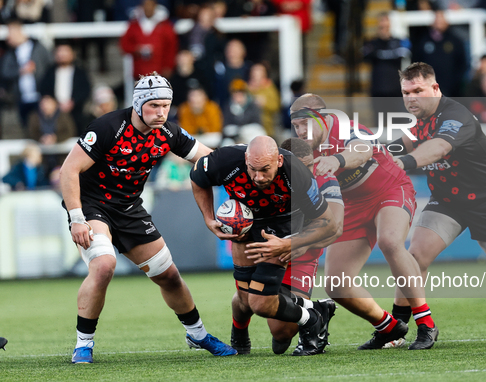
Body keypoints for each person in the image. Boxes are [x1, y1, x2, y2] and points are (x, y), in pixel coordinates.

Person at [59, 73, 236, 364]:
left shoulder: (168, 132)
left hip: (129, 208)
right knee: (104, 265)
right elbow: (69, 170)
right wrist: (77, 217)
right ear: (138, 104)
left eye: (166, 105)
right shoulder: (107, 127)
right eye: (154, 105)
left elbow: (209, 159)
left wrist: (244, 164)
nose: (162, 112)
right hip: (92, 206)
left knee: (169, 276)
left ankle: (198, 334)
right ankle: (83, 345)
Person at [387, 62, 486, 341]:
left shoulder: (455, 115)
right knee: (415, 256)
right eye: (406, 92)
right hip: (447, 201)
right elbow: (400, 143)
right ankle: (397, 330)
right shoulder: (420, 121)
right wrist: (370, 155)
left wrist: (401, 162)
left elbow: (439, 147)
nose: (411, 97)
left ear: (435, 88)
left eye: (418, 90)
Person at [291, 93, 437, 350]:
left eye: (306, 123)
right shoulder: (303, 150)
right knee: (336, 284)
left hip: (390, 189)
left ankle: (426, 324)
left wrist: (335, 160)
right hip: (351, 206)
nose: (301, 131)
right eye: (296, 126)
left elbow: (362, 151)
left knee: (390, 241)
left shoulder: (345, 126)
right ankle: (389, 327)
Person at [190, 136, 339, 356]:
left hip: (281, 232)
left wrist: (288, 243)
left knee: (278, 330)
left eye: (265, 170)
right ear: (245, 159)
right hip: (244, 230)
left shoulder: (296, 172)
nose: (258, 177)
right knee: (245, 300)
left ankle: (313, 316)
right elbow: (197, 177)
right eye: (252, 169)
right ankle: (239, 334)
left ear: (279, 160)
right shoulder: (225, 160)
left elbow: (330, 224)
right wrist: (208, 218)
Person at [261, 137, 344, 355]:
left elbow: (335, 228)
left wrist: (302, 245)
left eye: (309, 165)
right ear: (282, 163)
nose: (307, 171)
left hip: (302, 254)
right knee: (272, 325)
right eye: (301, 166)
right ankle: (239, 336)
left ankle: (315, 315)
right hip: (272, 251)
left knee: (285, 330)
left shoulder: (324, 180)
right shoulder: (264, 177)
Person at [0, 18, 51, 128]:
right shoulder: (10, 54)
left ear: (18, 31)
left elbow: (50, 67)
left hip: (40, 97)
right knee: (27, 129)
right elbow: (4, 72)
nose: (8, 38)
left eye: (10, 33)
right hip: (21, 99)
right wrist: (20, 71)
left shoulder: (39, 48)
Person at [39, 43, 92, 135]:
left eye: (65, 52)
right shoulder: (49, 72)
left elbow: (85, 89)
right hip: (54, 113)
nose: (62, 55)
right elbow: (44, 89)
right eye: (59, 52)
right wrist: (54, 103)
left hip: (76, 111)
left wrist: (73, 101)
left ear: (72, 54)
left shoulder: (80, 72)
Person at [120, 0, 178, 79]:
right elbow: (124, 45)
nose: (148, 8)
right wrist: (136, 49)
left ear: (155, 7)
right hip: (140, 72)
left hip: (160, 72)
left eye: (150, 5)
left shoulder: (165, 26)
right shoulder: (134, 25)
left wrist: (169, 66)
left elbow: (171, 48)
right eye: (146, 6)